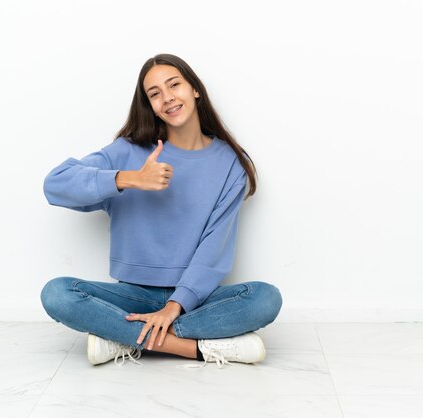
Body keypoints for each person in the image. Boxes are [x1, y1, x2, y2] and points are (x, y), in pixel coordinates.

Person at [40, 53, 282, 368]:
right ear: (149, 104)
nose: (167, 98)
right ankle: (197, 349)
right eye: (154, 94)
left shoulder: (229, 164)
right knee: (57, 294)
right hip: (131, 296)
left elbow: (214, 248)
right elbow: (55, 184)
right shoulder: (129, 151)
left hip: (196, 298)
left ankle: (120, 336)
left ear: (194, 89)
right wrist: (131, 179)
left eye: (174, 85)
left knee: (265, 298)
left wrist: (174, 306)